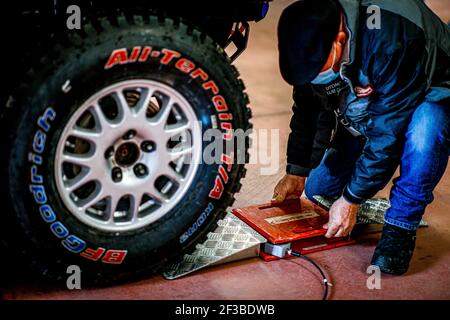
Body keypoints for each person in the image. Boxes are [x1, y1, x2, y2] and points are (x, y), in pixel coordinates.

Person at [273, 0, 450, 275]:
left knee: (424, 134)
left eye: (316, 71)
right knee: (317, 191)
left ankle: (401, 227)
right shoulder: (313, 35)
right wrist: (297, 170)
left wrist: (353, 198)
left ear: (340, 40)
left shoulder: (391, 39)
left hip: (431, 93)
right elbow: (308, 110)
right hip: (372, 103)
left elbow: (388, 132)